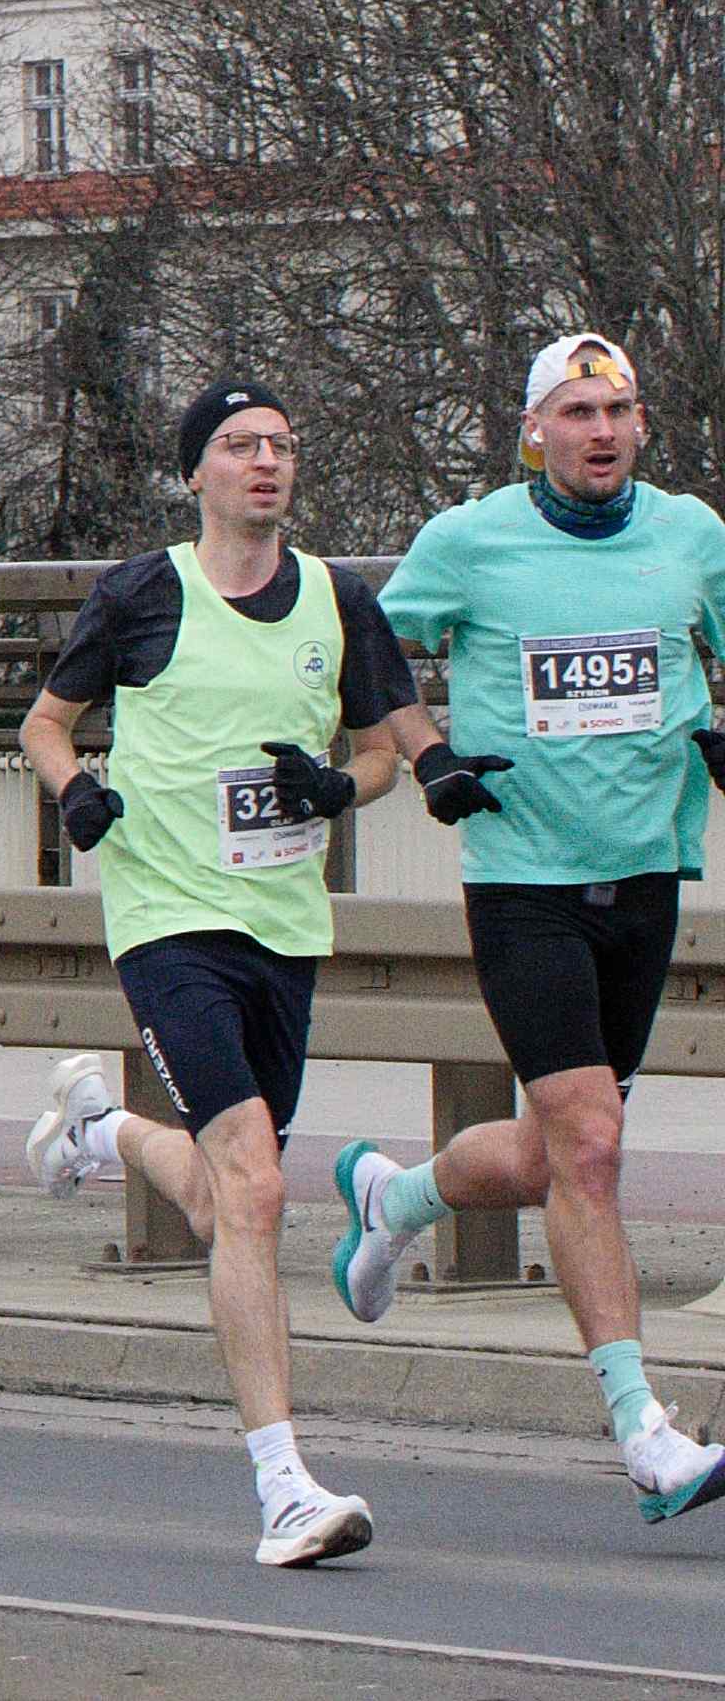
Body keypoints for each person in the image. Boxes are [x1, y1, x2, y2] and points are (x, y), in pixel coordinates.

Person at [319, 331, 725, 1520]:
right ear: (531, 431)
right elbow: (360, 645)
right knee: (590, 1142)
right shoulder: (471, 538)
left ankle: (389, 1201)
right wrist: (426, 752)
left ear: (640, 425)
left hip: (644, 876)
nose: (600, 430)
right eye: (575, 410)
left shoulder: (691, 534)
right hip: (521, 884)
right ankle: (641, 1429)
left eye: (618, 408)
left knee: (556, 1153)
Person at [11, 379, 415, 1568]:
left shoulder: (339, 598)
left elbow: (385, 744)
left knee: (224, 1197)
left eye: (280, 445)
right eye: (238, 446)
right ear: (195, 472)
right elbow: (44, 720)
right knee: (250, 1183)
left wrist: (341, 788)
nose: (264, 463)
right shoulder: (141, 593)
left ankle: (94, 1132)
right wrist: (76, 788)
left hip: (282, 925)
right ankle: (282, 1484)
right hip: (166, 917)